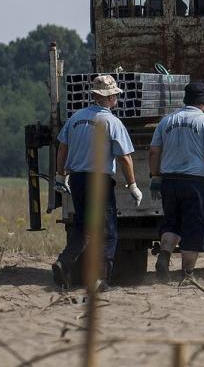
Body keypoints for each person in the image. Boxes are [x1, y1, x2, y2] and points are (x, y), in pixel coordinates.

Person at [52, 74, 142, 291]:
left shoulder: (76, 118)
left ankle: (64, 262)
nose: (116, 100)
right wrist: (132, 185)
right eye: (114, 96)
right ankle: (100, 279)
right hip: (99, 182)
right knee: (107, 229)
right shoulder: (112, 122)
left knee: (85, 225)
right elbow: (124, 157)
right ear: (109, 98)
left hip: (79, 180)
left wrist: (60, 174)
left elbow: (62, 147)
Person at [147, 82, 204, 283]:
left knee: (172, 222)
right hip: (196, 183)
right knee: (194, 228)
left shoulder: (166, 121)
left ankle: (164, 255)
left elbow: (153, 151)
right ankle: (187, 274)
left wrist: (155, 177)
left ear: (185, 100)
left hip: (169, 181)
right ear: (203, 103)